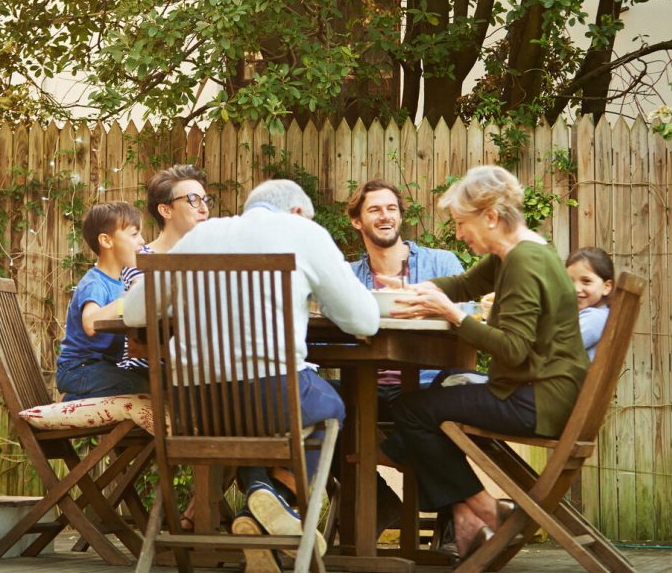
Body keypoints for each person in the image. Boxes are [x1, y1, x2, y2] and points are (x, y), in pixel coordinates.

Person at [148, 179, 380, 568]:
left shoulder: (200, 236)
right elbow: (364, 319)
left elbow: (140, 312)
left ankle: (257, 513)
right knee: (332, 405)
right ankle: (276, 496)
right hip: (271, 398)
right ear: (296, 213)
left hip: (195, 411)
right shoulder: (302, 232)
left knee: (273, 414)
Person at [377, 166, 589, 558]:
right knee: (436, 391)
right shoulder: (519, 253)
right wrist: (411, 290)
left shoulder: (523, 263)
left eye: (461, 223)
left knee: (409, 409)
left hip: (535, 400)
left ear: (490, 216)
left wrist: (457, 318)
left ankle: (486, 509)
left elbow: (512, 350)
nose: (458, 233)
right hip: (541, 392)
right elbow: (464, 285)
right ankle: (465, 514)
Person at [344, 179, 464, 533]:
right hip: (367, 388)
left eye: (391, 208)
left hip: (427, 385)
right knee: (321, 412)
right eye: (374, 210)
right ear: (357, 221)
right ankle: (383, 505)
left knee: (429, 413)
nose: (385, 216)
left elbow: (467, 314)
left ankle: (452, 519)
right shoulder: (348, 278)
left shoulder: (441, 263)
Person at [118, 164, 212, 532]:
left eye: (206, 199)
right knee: (236, 405)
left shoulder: (213, 258)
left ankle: (201, 514)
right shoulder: (145, 261)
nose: (203, 207)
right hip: (157, 374)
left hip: (202, 374)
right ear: (165, 210)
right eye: (192, 199)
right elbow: (143, 327)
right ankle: (201, 515)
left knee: (245, 399)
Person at [55, 202, 148, 401]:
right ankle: (70, 401)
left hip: (101, 368)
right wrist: (128, 301)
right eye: (134, 234)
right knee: (137, 386)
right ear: (106, 241)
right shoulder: (95, 282)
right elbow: (90, 323)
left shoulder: (119, 282)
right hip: (78, 369)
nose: (142, 241)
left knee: (149, 382)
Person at [565, 247, 614, 361]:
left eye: (586, 281)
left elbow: (559, 349)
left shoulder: (595, 318)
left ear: (606, 287)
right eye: (569, 281)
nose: (576, 288)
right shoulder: (600, 315)